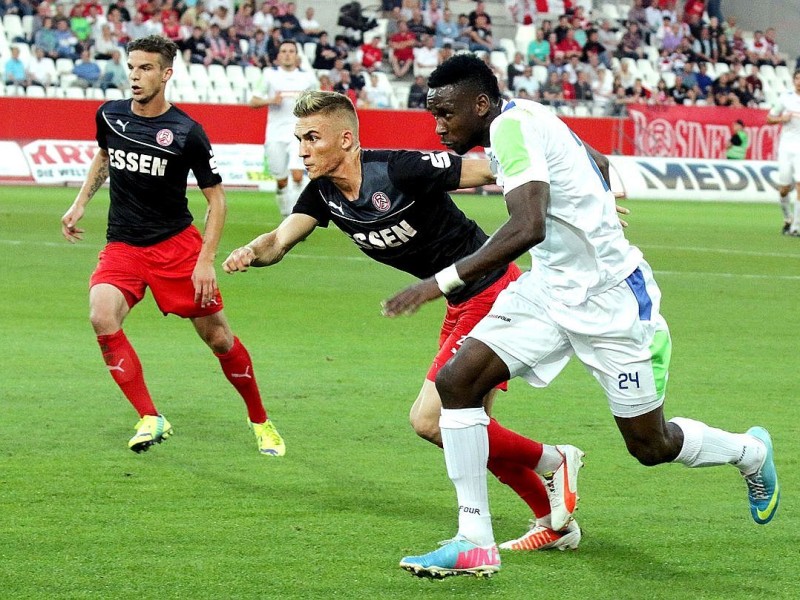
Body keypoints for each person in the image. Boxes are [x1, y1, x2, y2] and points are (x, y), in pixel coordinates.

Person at [384, 53, 780, 578]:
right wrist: (595, 201)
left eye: (447, 114)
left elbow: (528, 228)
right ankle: (473, 539)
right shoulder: (527, 115)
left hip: (613, 302)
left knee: (650, 445)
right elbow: (600, 161)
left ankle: (749, 452)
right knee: (457, 383)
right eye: (433, 115)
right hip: (548, 292)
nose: (439, 126)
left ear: (480, 104)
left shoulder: (509, 129)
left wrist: (441, 282)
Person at [223, 89, 594, 554]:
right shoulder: (322, 192)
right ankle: (554, 523)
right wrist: (250, 253)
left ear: (345, 139)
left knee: (431, 419)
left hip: (494, 290)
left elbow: (497, 169)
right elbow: (278, 240)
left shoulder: (399, 168)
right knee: (468, 428)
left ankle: (553, 460)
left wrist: (580, 193)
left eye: (311, 138)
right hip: (458, 302)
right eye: (298, 139)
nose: (301, 149)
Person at [59, 35, 285, 457]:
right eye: (131, 67)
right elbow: (104, 157)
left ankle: (260, 420)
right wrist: (78, 204)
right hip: (123, 245)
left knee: (219, 339)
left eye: (145, 69)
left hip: (176, 247)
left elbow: (216, 199)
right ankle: (150, 416)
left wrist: (205, 261)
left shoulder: (186, 132)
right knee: (101, 315)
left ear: (166, 74)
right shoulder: (110, 115)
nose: (135, 76)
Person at [249, 39, 318, 219]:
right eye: (284, 51)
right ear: (278, 56)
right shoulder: (269, 75)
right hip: (275, 133)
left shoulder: (307, 78)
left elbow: (321, 102)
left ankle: (296, 217)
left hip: (299, 133)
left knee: (297, 175)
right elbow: (253, 101)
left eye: (291, 51)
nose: (287, 54)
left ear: (296, 56)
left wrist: (309, 102)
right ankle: (285, 212)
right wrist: (272, 100)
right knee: (281, 179)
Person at [767, 70, 800, 236]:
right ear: (793, 80)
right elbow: (769, 118)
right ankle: (788, 218)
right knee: (784, 190)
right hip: (786, 148)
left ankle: (796, 226)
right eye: (797, 78)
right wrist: (781, 119)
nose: (799, 81)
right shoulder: (785, 98)